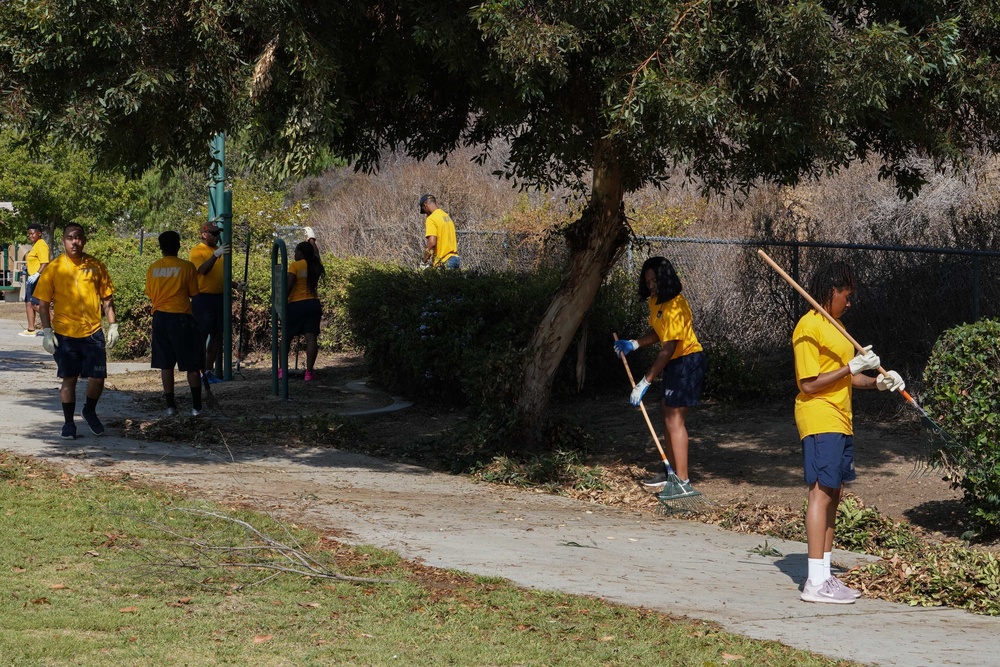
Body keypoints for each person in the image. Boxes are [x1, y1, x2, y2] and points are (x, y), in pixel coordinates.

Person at [792, 262, 905, 604]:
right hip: (819, 415)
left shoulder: (837, 327)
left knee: (834, 493)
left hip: (841, 417)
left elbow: (847, 377)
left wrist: (877, 382)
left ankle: (825, 576)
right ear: (831, 292)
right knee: (821, 494)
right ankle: (813, 582)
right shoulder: (808, 328)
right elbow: (808, 384)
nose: (849, 302)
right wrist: (850, 366)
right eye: (846, 295)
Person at [614, 257, 706, 495]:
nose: (651, 285)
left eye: (655, 280)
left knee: (675, 420)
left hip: (687, 362)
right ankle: (671, 473)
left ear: (665, 278)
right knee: (667, 415)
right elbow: (658, 332)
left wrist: (645, 381)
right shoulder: (656, 303)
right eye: (648, 281)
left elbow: (669, 348)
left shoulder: (676, 305)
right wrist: (635, 343)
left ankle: (683, 482)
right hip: (674, 363)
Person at [33, 223, 118, 439]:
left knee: (98, 377)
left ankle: (89, 410)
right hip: (65, 334)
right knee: (69, 379)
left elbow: (107, 298)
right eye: (70, 238)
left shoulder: (96, 266)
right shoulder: (54, 268)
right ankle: (69, 423)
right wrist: (47, 331)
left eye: (78, 237)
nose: (74, 242)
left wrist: (113, 325)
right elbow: (42, 304)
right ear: (63, 241)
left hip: (93, 332)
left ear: (84, 240)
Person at [145, 231, 204, 417]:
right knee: (192, 365)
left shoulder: (153, 268)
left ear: (160, 247)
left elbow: (150, 293)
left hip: (160, 319)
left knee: (166, 365)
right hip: (182, 318)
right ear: (178, 245)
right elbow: (194, 293)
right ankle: (196, 407)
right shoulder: (187, 267)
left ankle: (170, 407)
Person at [189, 222, 230, 385]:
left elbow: (220, 276)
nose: (216, 237)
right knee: (201, 336)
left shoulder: (219, 252)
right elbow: (202, 271)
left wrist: (235, 285)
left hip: (219, 298)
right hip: (203, 299)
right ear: (204, 234)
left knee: (217, 336)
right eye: (213, 234)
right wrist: (216, 255)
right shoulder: (197, 251)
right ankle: (198, 372)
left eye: (217, 234)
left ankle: (208, 370)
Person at [280, 241, 325, 381]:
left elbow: (289, 285)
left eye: (295, 251)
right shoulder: (315, 265)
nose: (294, 254)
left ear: (301, 253)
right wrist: (312, 239)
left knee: (286, 337)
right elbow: (316, 253)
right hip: (313, 303)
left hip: (296, 304)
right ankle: (309, 373)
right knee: (311, 337)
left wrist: (281, 303)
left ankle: (282, 371)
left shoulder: (295, 265)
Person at [19, 222, 50, 337]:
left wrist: (37, 274)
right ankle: (31, 329)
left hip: (39, 279)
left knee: (36, 305)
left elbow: (45, 262)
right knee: (28, 303)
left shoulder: (41, 245)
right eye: (29, 234)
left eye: (32, 233)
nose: (30, 236)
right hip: (31, 278)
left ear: (39, 233)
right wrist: (27, 268)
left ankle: (58, 326)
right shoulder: (35, 245)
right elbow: (34, 262)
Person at [419, 194, 460, 269]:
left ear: (425, 205)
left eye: (424, 211)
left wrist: (424, 261)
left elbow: (432, 243)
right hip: (455, 259)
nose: (426, 214)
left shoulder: (431, 219)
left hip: (445, 262)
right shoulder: (446, 216)